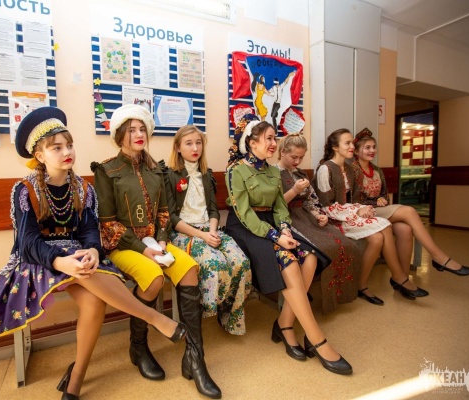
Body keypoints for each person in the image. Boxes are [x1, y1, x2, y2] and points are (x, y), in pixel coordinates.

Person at [0, 107, 186, 400]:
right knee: (85, 273)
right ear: (40, 155)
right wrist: (60, 261)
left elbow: (88, 232)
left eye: (69, 145)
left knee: (94, 301)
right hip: (40, 260)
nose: (66, 152)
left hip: (78, 257)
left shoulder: (83, 189)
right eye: (56, 148)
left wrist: (94, 250)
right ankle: (155, 318)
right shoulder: (25, 190)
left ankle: (76, 379)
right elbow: (28, 243)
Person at [92, 105, 221, 399]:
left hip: (156, 243)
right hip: (122, 245)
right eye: (131, 130)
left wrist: (162, 241)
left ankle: (195, 358)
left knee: (190, 269)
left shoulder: (156, 169)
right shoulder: (106, 170)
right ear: (119, 135)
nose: (139, 134)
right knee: (153, 278)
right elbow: (108, 224)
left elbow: (164, 211)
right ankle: (138, 347)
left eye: (142, 129)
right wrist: (142, 248)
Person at [225, 114, 352, 375]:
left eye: (275, 138)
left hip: (272, 224)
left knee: (310, 257)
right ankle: (316, 338)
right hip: (246, 228)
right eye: (269, 138)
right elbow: (244, 213)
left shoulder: (273, 171)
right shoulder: (236, 170)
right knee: (290, 261)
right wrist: (276, 237)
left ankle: (284, 323)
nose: (274, 143)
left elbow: (280, 207)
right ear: (251, 142)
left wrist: (283, 228)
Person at [312, 128, 430, 306]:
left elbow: (354, 199)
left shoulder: (349, 170)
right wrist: (356, 211)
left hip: (346, 215)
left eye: (352, 143)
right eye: (347, 143)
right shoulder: (325, 169)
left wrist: (362, 208)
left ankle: (361, 285)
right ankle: (399, 277)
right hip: (331, 220)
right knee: (385, 225)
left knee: (377, 239)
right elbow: (325, 206)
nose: (352, 146)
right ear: (335, 147)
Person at [163, 125, 252, 335]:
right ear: (178, 147)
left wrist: (212, 232)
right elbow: (171, 218)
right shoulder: (169, 175)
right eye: (189, 143)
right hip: (184, 232)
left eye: (199, 143)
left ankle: (230, 315)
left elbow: (213, 209)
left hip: (209, 229)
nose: (195, 148)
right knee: (215, 263)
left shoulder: (206, 174)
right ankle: (206, 310)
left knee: (241, 262)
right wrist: (202, 236)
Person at [353, 128, 469, 276]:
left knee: (405, 229)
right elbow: (352, 199)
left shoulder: (377, 170)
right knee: (409, 211)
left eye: (374, 147)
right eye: (367, 148)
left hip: (379, 211)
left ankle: (403, 279)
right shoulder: (352, 170)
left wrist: (383, 199)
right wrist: (373, 201)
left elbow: (384, 194)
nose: (372, 150)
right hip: (363, 213)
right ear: (356, 151)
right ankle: (439, 257)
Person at [276, 133, 363, 314]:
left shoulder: (301, 174)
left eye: (301, 157)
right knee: (324, 248)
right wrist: (294, 190)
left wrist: (317, 214)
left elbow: (311, 200)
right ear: (282, 152)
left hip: (306, 217)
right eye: (294, 157)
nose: (297, 161)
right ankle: (298, 298)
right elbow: (274, 206)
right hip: (287, 219)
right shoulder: (272, 174)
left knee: (346, 244)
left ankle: (338, 296)